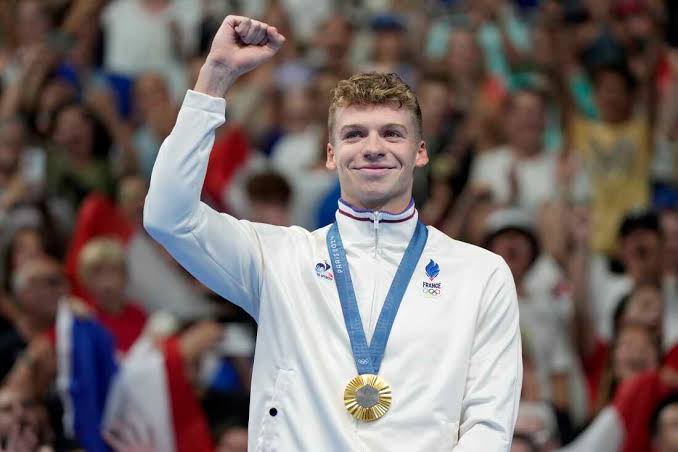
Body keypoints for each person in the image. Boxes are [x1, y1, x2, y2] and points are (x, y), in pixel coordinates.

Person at [144, 15, 522, 450]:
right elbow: (168, 217)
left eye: (392, 133)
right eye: (355, 133)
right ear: (330, 153)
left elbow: (488, 426)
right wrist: (214, 79)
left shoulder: (480, 274)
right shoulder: (278, 259)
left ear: (420, 152)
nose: (373, 147)